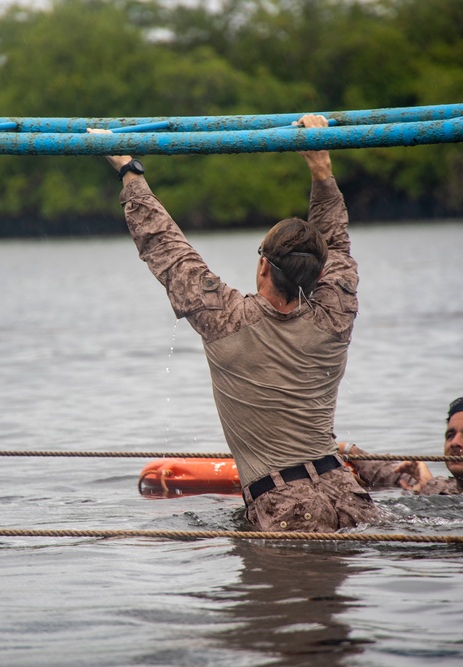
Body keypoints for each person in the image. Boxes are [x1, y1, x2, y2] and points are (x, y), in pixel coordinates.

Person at [90, 115, 376, 532]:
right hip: (345, 491)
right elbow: (336, 243)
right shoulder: (335, 315)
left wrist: (129, 170)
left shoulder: (225, 318)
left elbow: (166, 248)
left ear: (263, 266)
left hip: (284, 503)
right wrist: (321, 168)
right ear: (319, 277)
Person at [340, 397, 463, 495]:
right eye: (450, 435)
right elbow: (390, 472)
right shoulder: (446, 485)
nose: (455, 443)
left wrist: (428, 488)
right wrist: (349, 451)